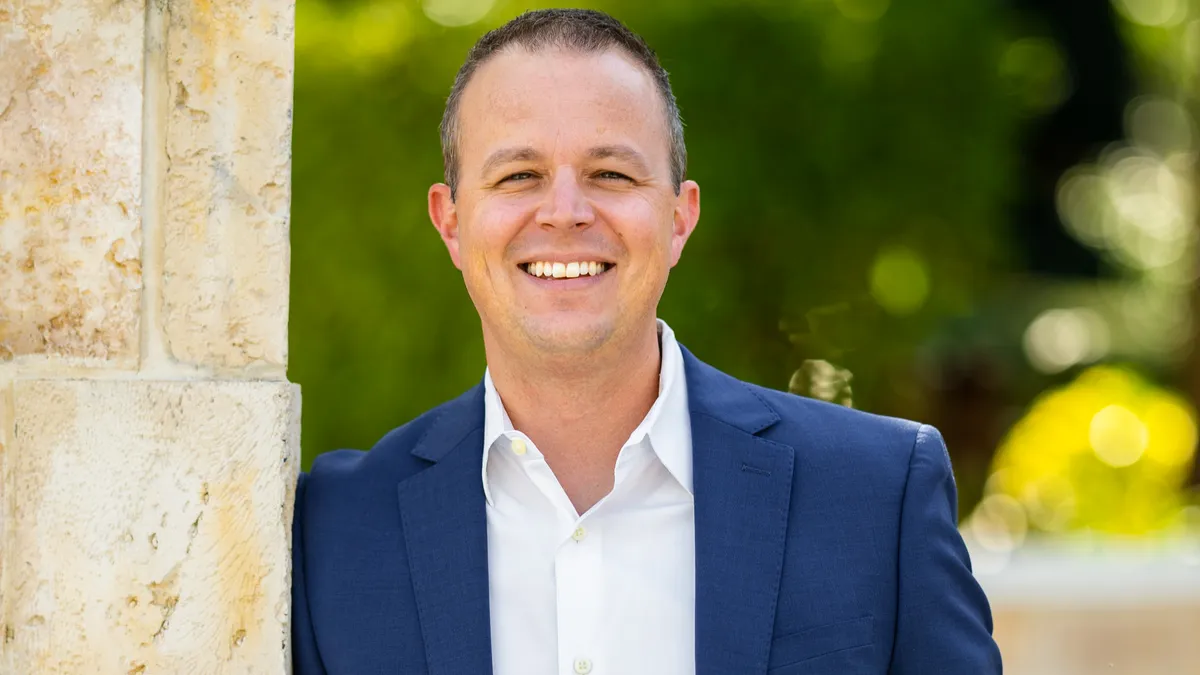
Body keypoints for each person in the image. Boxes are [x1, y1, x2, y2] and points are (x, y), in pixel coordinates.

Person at [290, 8, 1002, 675]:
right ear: (451, 223)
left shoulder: (877, 494)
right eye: (519, 175)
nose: (565, 212)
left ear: (678, 217)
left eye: (610, 173)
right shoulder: (334, 531)